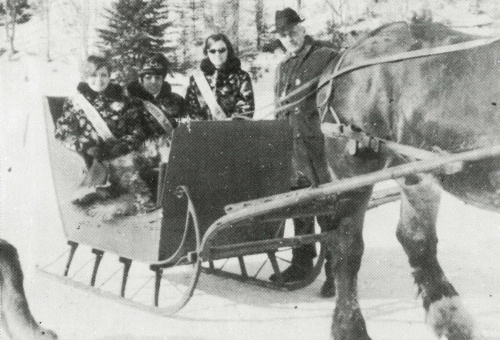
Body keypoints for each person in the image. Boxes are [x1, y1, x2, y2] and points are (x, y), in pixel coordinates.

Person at [270, 8, 338, 297]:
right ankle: (301, 261)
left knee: (327, 209)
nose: (290, 38)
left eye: (293, 31)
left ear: (302, 29)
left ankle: (335, 272)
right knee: (298, 208)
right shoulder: (282, 67)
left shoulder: (324, 56)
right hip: (291, 148)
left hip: (318, 146)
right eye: (284, 35)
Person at [55, 55, 156, 220]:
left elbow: (137, 131)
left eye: (103, 75)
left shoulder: (124, 101)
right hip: (95, 159)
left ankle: (138, 210)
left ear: (109, 75)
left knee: (130, 171)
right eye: (93, 75)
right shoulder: (76, 103)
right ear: (85, 77)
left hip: (124, 154)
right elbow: (63, 132)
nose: (99, 80)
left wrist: (121, 146)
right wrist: (87, 146)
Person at [185, 33, 255, 120]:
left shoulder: (241, 77)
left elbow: (246, 109)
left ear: (228, 51)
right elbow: (191, 111)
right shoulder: (196, 80)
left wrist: (230, 123)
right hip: (204, 131)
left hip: (233, 131)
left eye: (221, 50)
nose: (217, 54)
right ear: (207, 52)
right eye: (212, 51)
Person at [127, 53, 187, 129]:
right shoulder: (129, 103)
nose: (153, 81)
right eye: (148, 78)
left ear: (163, 79)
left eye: (158, 78)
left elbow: (188, 129)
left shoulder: (177, 100)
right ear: (140, 80)